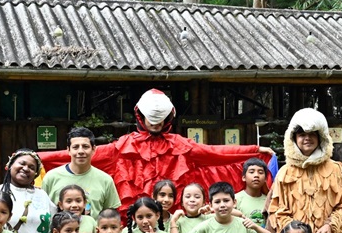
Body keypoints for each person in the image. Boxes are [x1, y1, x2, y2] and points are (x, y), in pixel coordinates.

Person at [39, 90, 272, 213]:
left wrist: (255, 150)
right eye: (152, 121)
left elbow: (216, 153)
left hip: (171, 215)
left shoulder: (182, 145)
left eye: (159, 121)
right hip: (134, 217)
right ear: (141, 117)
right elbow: (78, 155)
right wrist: (36, 158)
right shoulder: (123, 146)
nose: (155, 126)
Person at [268, 108, 342, 233]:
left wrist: (331, 225)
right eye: (301, 134)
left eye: (312, 134)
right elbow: (277, 210)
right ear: (294, 139)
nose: (307, 138)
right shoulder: (284, 173)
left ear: (321, 137)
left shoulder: (335, 169)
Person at [40, 126, 121, 218]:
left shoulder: (105, 180)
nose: (81, 151)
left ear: (93, 149)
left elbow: (111, 217)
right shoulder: (51, 177)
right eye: (75, 147)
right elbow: (42, 212)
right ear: (68, 150)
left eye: (85, 146)